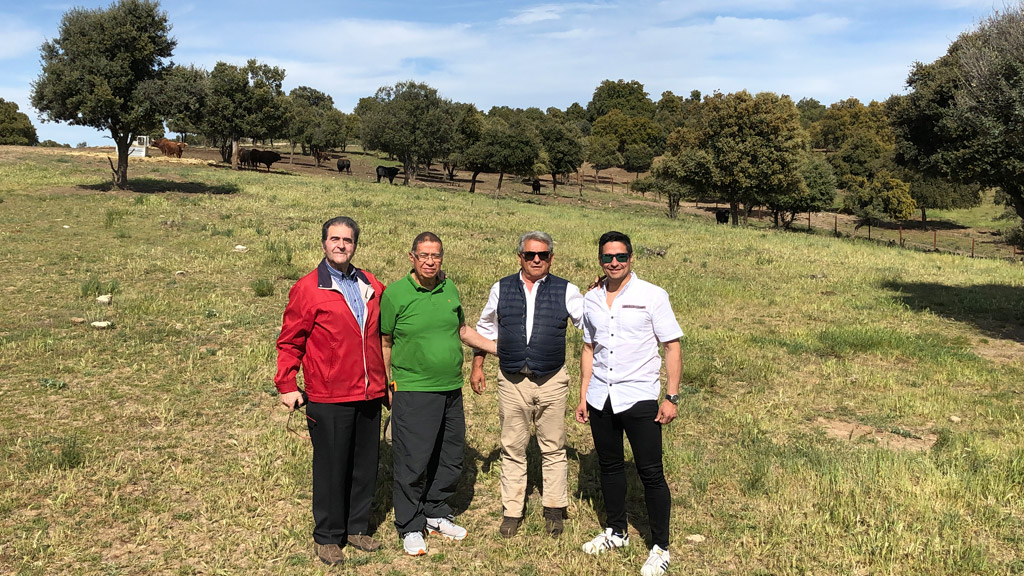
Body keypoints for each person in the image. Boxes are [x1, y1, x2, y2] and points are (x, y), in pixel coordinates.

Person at [274, 216, 387, 566]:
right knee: (331, 466)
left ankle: (356, 528)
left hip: (368, 393)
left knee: (365, 465)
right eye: (334, 239)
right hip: (328, 394)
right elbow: (290, 341)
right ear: (323, 243)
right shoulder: (308, 288)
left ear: (355, 245)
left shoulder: (371, 284)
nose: (341, 245)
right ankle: (327, 536)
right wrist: (287, 384)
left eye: (348, 240)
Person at [380, 231, 497, 556]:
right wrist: (385, 384)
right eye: (424, 255)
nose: (430, 261)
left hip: (450, 390)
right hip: (414, 390)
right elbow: (385, 342)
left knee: (450, 455)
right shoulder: (396, 294)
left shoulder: (449, 288)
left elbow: (461, 330)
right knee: (412, 460)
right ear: (412, 257)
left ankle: (434, 512)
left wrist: (498, 349)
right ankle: (410, 524)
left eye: (436, 256)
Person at [574, 231, 683, 576]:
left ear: (631, 258)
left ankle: (660, 547)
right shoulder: (591, 298)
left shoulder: (653, 295)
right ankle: (617, 531)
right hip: (600, 397)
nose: (614, 263)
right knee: (609, 466)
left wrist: (671, 396)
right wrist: (583, 394)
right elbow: (589, 348)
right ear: (600, 261)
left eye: (620, 257)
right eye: (607, 258)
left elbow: (672, 346)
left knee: (651, 473)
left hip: (639, 396)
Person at [470, 231, 584, 538]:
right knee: (513, 447)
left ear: (551, 258)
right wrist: (477, 364)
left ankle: (554, 509)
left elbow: (589, 325)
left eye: (542, 255)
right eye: (530, 255)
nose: (536, 260)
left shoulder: (567, 290)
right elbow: (485, 328)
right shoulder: (501, 287)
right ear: (520, 256)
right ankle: (512, 511)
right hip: (512, 380)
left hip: (552, 380)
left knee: (553, 447)